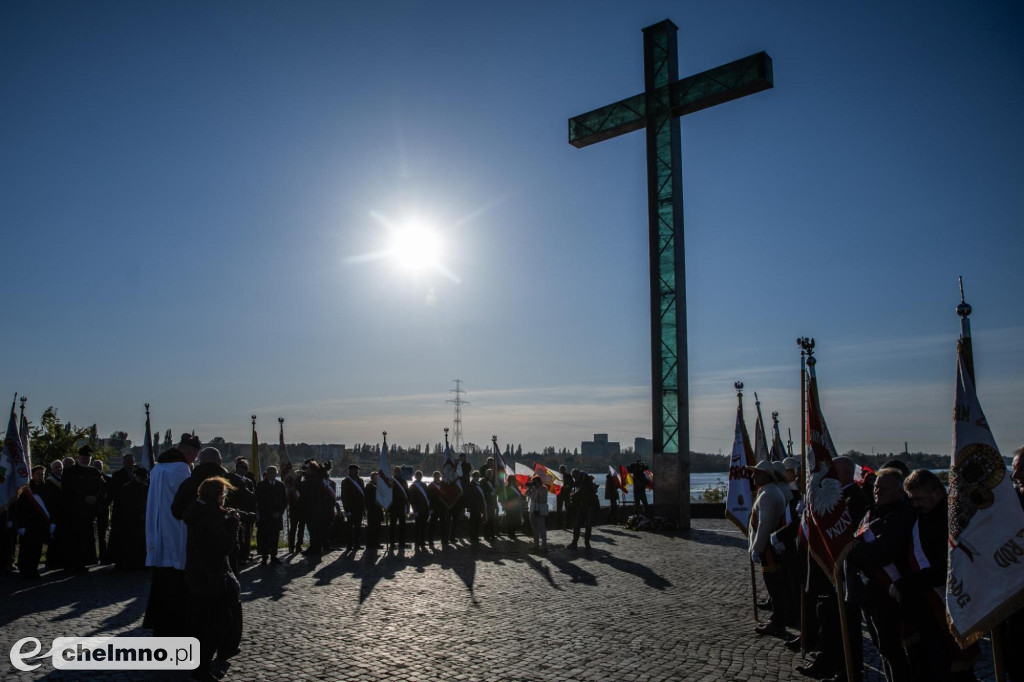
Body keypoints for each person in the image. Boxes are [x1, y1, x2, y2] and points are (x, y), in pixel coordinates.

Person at [846, 467, 915, 682]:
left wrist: (850, 550)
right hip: (869, 593)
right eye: (876, 487)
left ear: (899, 490)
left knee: (894, 651)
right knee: (883, 650)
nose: (877, 492)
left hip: (889, 593)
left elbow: (882, 552)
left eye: (883, 489)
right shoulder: (872, 512)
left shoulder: (902, 515)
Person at [182, 477, 243, 682]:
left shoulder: (195, 511)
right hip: (214, 574)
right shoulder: (214, 516)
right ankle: (202, 667)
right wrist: (234, 524)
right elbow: (226, 547)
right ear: (218, 494)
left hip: (195, 571)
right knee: (220, 620)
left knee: (201, 620)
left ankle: (199, 663)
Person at [144, 433, 200, 637]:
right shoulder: (180, 469)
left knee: (160, 582)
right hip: (175, 530)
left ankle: (159, 622)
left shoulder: (158, 467)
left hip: (158, 530)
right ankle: (176, 623)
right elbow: (187, 498)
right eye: (194, 454)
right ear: (189, 451)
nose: (194, 459)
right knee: (176, 582)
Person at [746, 460, 788, 636]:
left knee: (775, 586)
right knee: (775, 586)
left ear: (766, 475)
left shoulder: (768, 495)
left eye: (757, 473)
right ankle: (777, 618)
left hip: (769, 549)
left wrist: (757, 548)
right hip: (770, 546)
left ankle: (778, 622)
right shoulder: (768, 492)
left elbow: (765, 524)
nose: (753, 476)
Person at [62, 445, 106, 572]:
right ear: (78, 457)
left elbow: (102, 487)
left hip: (89, 511)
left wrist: (94, 498)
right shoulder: (70, 472)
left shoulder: (94, 472)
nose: (86, 460)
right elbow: (68, 490)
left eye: (88, 458)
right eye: (84, 457)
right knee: (74, 539)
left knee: (87, 538)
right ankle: (73, 563)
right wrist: (84, 498)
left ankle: (86, 562)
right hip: (74, 511)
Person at [13, 465, 53, 579]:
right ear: (33, 475)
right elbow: (19, 509)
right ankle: (24, 569)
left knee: (37, 548)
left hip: (41, 524)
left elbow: (51, 506)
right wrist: (20, 525)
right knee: (26, 548)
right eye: (38, 474)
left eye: (42, 474)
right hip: (28, 524)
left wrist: (52, 522)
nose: (40, 476)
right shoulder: (26, 490)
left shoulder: (46, 489)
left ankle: (33, 569)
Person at [111, 466, 149, 571]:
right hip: (130, 520)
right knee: (130, 542)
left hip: (141, 519)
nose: (143, 479)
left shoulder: (146, 488)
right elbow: (124, 505)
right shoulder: (126, 488)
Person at [226, 458, 257, 564]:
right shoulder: (231, 478)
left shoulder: (248, 480)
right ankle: (237, 557)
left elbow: (253, 495)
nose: (246, 470)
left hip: (247, 511)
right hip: (237, 510)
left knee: (247, 534)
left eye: (247, 468)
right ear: (237, 467)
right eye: (243, 467)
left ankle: (245, 555)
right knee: (238, 535)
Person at [254, 466, 288, 565]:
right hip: (265, 516)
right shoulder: (261, 485)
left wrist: (279, 512)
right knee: (264, 537)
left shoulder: (280, 485)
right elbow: (259, 501)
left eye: (274, 472)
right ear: (267, 473)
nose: (272, 474)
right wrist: (269, 513)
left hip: (277, 516)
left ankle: (274, 556)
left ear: (276, 473)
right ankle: (264, 557)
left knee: (275, 537)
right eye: (270, 472)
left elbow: (284, 501)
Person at [44, 459, 69, 570]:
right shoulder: (49, 482)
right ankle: (51, 562)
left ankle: (62, 561)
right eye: (56, 467)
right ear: (52, 469)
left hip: (65, 513)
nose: (59, 469)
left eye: (60, 467)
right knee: (54, 539)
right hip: (55, 513)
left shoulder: (65, 480)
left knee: (64, 539)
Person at [91, 459, 113, 563]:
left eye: (99, 466)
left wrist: (104, 505)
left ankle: (103, 556)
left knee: (102, 534)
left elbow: (111, 495)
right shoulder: (88, 479)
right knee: (91, 535)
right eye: (96, 465)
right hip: (92, 509)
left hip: (104, 510)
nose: (98, 467)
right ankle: (92, 557)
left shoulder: (108, 479)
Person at [569, 471, 598, 550]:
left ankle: (586, 543)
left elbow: (582, 491)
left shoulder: (587, 480)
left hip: (588, 506)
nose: (574, 478)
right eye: (573, 477)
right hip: (580, 506)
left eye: (575, 477)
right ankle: (575, 542)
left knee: (587, 525)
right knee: (577, 525)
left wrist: (573, 495)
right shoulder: (578, 481)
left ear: (578, 474)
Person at [340, 464, 365, 552]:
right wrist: (347, 510)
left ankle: (357, 544)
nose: (357, 471)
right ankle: (349, 545)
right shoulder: (346, 481)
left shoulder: (360, 480)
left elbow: (363, 495)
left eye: (357, 470)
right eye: (355, 470)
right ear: (350, 471)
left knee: (358, 528)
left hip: (359, 508)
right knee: (349, 528)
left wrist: (364, 508)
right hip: (350, 508)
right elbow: (344, 497)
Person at [408, 470, 431, 552]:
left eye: (420, 475)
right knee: (417, 527)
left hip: (425, 509)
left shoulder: (424, 485)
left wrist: (429, 508)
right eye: (417, 475)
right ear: (415, 476)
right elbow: (411, 499)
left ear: (422, 476)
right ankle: (417, 541)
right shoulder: (413, 486)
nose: (419, 477)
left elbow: (428, 497)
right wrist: (415, 510)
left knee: (424, 526)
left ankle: (422, 541)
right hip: (417, 509)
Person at [388, 466, 409, 551]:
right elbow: (388, 495)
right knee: (392, 526)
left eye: (399, 471)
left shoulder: (404, 482)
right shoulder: (391, 481)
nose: (398, 472)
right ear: (394, 472)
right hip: (393, 507)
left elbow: (407, 494)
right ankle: (392, 543)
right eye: (396, 471)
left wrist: (407, 506)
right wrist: (387, 507)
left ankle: (402, 543)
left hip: (402, 507)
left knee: (402, 526)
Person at [526, 476, 548, 552]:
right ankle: (536, 544)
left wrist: (533, 489)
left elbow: (537, 498)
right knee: (534, 528)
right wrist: (529, 488)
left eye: (534, 482)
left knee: (541, 528)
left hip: (540, 511)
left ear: (538, 482)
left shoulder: (543, 489)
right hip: (532, 510)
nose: (533, 484)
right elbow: (526, 494)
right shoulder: (533, 489)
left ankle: (544, 545)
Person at [426, 470, 447, 549]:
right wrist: (430, 509)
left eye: (438, 476)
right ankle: (430, 541)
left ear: (440, 476)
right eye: (435, 476)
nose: (437, 477)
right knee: (432, 525)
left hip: (442, 508)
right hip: (434, 509)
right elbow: (428, 499)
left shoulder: (444, 485)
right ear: (433, 477)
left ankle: (444, 540)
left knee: (443, 525)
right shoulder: (430, 486)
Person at [364, 472, 384, 554]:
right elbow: (370, 499)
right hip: (373, 510)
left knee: (377, 528)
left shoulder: (376, 486)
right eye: (376, 477)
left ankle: (376, 543)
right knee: (372, 528)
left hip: (377, 510)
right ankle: (371, 544)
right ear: (372, 478)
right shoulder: (370, 486)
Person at [500, 475, 522, 540]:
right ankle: (510, 534)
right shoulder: (506, 488)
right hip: (509, 507)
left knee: (515, 521)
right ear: (509, 480)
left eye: (513, 479)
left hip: (516, 507)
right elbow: (502, 498)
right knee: (510, 521)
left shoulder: (516, 487)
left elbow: (519, 496)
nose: (512, 481)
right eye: (511, 479)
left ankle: (512, 533)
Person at [556, 464, 573, 529]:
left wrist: (568, 486)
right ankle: (559, 524)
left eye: (563, 469)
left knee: (568, 510)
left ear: (565, 469)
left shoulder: (569, 476)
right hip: (560, 495)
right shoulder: (557, 476)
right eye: (561, 469)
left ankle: (567, 524)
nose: (562, 470)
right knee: (559, 510)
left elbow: (572, 484)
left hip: (566, 495)